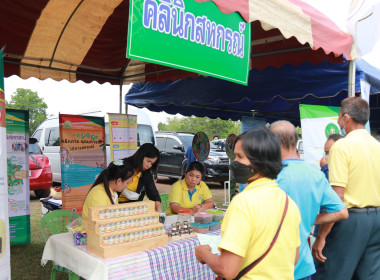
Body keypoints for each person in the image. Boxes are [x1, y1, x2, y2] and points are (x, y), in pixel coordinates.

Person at [195, 129, 301, 279]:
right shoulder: (289, 203)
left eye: (240, 157)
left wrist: (203, 253)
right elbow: (294, 258)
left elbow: (227, 269)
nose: (234, 163)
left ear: (260, 162)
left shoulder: (243, 202)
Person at [270, 121, 348, 280]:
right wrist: (310, 219)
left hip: (275, 267)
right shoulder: (316, 175)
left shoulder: (272, 176)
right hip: (303, 265)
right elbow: (341, 212)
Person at [313, 97, 380, 280]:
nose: (338, 120)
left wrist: (321, 236)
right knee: (369, 276)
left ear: (347, 118)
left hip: (351, 221)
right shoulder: (377, 146)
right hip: (376, 220)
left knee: (332, 273)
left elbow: (337, 197)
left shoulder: (342, 146)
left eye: (339, 116)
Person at [81, 159, 134, 229]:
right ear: (119, 181)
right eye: (127, 183)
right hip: (91, 234)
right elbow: (100, 225)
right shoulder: (98, 195)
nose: (127, 186)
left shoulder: (113, 192)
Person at [118, 143, 162, 212]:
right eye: (148, 161)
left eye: (151, 164)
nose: (149, 166)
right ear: (141, 156)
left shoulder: (146, 173)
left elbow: (153, 194)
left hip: (135, 209)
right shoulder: (121, 166)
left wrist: (159, 212)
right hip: (115, 208)